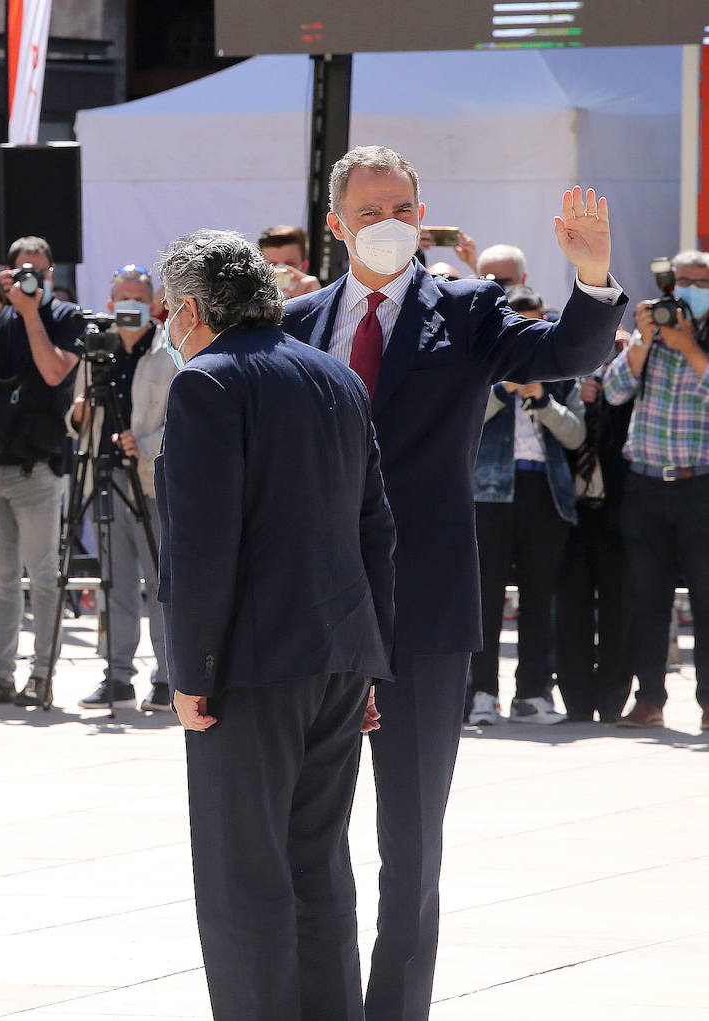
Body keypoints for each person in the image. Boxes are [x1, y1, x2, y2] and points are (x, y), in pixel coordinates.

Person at [282, 145, 624, 1020]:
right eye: (370, 213)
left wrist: (590, 277)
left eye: (404, 209)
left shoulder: (465, 309)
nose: (390, 226)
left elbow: (563, 352)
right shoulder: (300, 323)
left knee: (411, 850)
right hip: (313, 618)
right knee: (305, 838)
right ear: (335, 224)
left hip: (421, 612)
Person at [158, 229, 394, 1021]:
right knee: (319, 868)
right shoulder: (335, 376)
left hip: (249, 670)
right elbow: (375, 528)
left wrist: (190, 672)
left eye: (169, 309)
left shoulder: (206, 384)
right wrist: (369, 660)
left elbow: (200, 547)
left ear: (190, 308)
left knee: (242, 879)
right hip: (338, 655)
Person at [0, 235, 81, 706]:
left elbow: (54, 373)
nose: (31, 280)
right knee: (1, 579)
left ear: (51, 274)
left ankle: (41, 676)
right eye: (21, 271)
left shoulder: (65, 317)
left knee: (43, 578)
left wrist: (30, 315)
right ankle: (0, 674)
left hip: (38, 468)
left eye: (40, 272)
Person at [601, 249, 709, 732]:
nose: (687, 287)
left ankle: (708, 704)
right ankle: (649, 700)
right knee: (647, 598)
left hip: (700, 486)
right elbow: (613, 390)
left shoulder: (695, 338)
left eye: (699, 280)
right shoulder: (652, 333)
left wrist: (689, 346)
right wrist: (645, 340)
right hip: (645, 483)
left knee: (706, 599)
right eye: (681, 279)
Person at [469, 287, 587, 725]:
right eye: (520, 325)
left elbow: (577, 436)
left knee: (541, 597)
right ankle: (481, 691)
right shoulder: (480, 368)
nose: (528, 333)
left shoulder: (560, 373)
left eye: (536, 324)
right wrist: (504, 390)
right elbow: (463, 420)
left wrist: (544, 400)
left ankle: (534, 692)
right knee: (485, 598)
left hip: (545, 493)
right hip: (489, 494)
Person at [65, 264, 178, 711]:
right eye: (121, 298)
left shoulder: (169, 350)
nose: (128, 305)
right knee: (115, 583)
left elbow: (183, 419)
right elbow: (75, 419)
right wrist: (78, 414)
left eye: (138, 297)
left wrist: (145, 445)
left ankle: (169, 677)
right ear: (110, 304)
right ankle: (117, 675)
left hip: (152, 481)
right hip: (106, 476)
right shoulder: (97, 349)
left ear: (152, 304)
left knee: (160, 582)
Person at [556, 327, 636, 723]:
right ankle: (575, 699)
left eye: (616, 351)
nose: (606, 360)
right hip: (572, 516)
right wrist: (583, 404)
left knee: (618, 611)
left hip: (617, 518)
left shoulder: (630, 393)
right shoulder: (565, 382)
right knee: (571, 611)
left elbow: (621, 444)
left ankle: (613, 699)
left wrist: (604, 402)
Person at [257, 224, 322, 297]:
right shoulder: (247, 304)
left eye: (290, 264)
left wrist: (318, 299)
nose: (281, 269)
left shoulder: (314, 297)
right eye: (272, 264)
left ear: (304, 267)